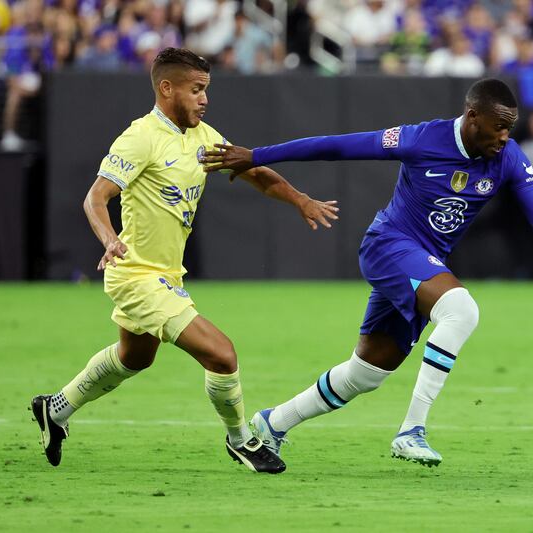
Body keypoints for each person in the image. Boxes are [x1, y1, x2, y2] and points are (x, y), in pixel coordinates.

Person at [202, 78, 533, 467]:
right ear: (472, 116)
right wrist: (257, 155)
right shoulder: (420, 139)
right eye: (499, 126)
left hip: (422, 264)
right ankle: (411, 431)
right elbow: (336, 146)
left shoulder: (509, 158)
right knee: (462, 310)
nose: (505, 136)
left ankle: (271, 424)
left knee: (365, 374)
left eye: (510, 127)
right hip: (389, 245)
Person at [30, 48, 339, 474]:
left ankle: (56, 408)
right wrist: (109, 239)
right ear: (166, 88)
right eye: (196, 90)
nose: (204, 99)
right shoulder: (140, 138)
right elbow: (96, 197)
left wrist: (299, 199)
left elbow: (255, 173)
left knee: (134, 357)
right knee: (222, 355)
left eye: (206, 90)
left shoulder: (204, 138)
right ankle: (242, 441)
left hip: (167, 274)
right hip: (136, 274)